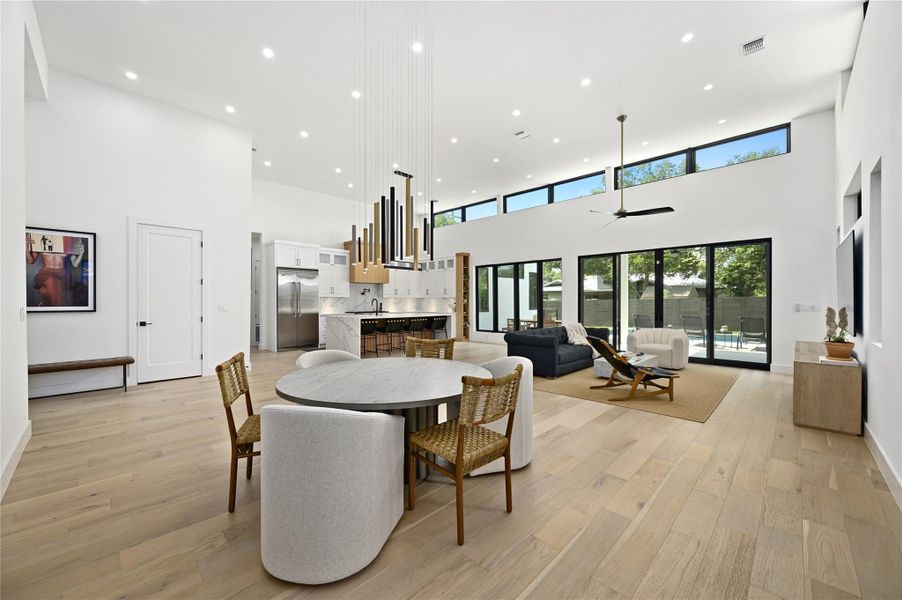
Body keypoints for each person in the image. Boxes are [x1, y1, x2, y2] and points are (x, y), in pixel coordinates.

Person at [26, 233, 86, 306]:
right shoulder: (40, 237)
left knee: (53, 283)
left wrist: (81, 253)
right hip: (45, 273)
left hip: (62, 275)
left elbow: (75, 264)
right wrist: (26, 247)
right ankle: (57, 310)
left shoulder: (68, 239)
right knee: (52, 281)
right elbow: (31, 261)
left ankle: (46, 302)